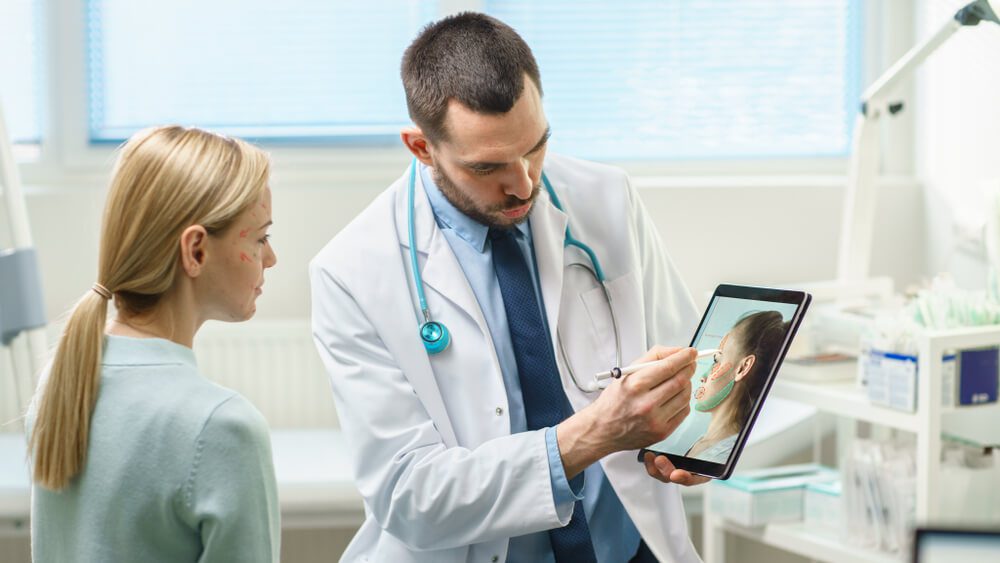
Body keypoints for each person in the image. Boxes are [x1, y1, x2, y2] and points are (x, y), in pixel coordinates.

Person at [311, 13, 706, 563]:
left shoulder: (606, 197)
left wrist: (689, 441)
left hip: (628, 548)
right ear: (421, 148)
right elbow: (409, 496)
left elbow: (682, 353)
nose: (524, 184)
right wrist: (591, 434)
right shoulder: (353, 271)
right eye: (488, 166)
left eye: (536, 147)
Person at [26, 125, 280, 562]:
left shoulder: (63, 382)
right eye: (260, 238)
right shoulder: (224, 427)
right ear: (196, 250)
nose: (271, 258)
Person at [685, 311, 789, 463]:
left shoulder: (721, 454)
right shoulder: (705, 444)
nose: (703, 377)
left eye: (717, 360)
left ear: (742, 368)